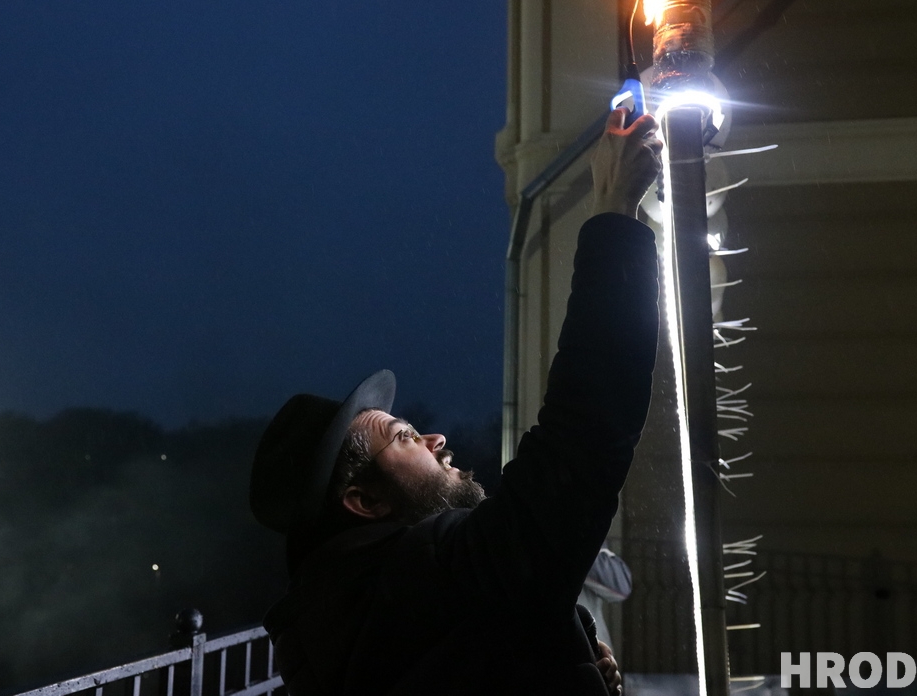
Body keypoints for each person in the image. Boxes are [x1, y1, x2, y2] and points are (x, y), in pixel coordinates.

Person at [249, 108, 662, 696]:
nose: (435, 439)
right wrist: (615, 209)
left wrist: (556, 658)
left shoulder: (351, 608)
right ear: (363, 500)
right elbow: (582, 437)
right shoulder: (420, 575)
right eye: (403, 437)